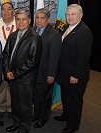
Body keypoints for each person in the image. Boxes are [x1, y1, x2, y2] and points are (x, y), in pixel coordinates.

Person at [54, 4, 93, 133]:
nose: (69, 17)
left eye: (73, 14)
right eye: (68, 14)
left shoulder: (84, 31)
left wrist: (76, 75)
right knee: (66, 97)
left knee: (74, 101)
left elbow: (83, 57)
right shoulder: (67, 27)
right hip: (65, 73)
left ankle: (73, 125)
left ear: (80, 16)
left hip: (75, 75)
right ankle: (66, 115)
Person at [3, 9, 42, 133]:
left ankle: (24, 128)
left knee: (25, 106)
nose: (21, 22)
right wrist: (7, 70)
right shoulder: (13, 35)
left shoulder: (34, 37)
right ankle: (16, 123)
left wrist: (14, 73)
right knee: (15, 103)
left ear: (29, 21)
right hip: (12, 77)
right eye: (18, 19)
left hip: (25, 79)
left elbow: (32, 61)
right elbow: (6, 55)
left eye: (23, 19)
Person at [31, 8, 62, 128]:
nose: (39, 20)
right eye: (37, 17)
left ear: (48, 19)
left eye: (42, 18)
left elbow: (55, 57)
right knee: (35, 96)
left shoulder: (54, 34)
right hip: (32, 74)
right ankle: (37, 114)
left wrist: (51, 75)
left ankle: (43, 118)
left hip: (45, 74)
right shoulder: (32, 30)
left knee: (44, 98)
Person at [0, 2, 16, 119]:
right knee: (2, 86)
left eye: (9, 9)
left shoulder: (19, 24)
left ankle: (12, 108)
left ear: (13, 11)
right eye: (4, 9)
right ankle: (2, 107)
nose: (6, 12)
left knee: (14, 86)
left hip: (15, 61)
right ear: (1, 12)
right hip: (0, 60)